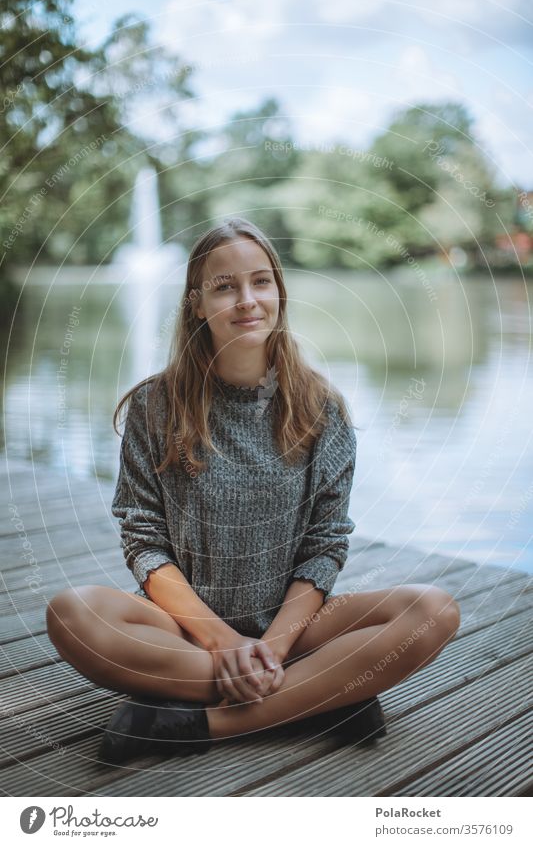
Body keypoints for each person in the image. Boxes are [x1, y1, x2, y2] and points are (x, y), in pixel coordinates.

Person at [46, 217, 461, 765]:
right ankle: (318, 696)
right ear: (196, 303)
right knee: (72, 613)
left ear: (279, 294)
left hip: (297, 627)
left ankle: (202, 722)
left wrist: (272, 646)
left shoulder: (321, 409)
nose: (247, 300)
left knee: (435, 610)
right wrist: (223, 641)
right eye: (225, 286)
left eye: (261, 282)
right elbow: (143, 542)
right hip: (183, 630)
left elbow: (325, 546)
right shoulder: (154, 407)